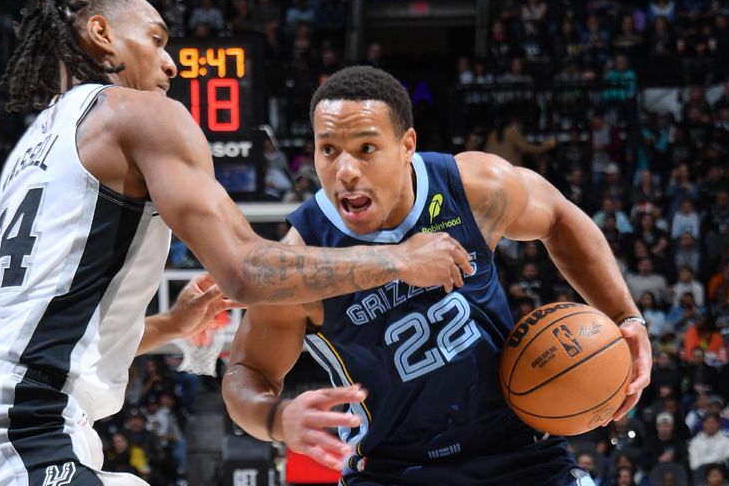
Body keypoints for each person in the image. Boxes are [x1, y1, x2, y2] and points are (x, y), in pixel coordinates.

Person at [0, 0, 471, 485]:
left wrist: (169, 325)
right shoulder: (141, 114)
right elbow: (244, 271)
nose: (170, 65)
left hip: (8, 416)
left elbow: (42, 332)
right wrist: (401, 260)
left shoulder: (32, 150)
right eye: (157, 40)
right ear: (101, 35)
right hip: (27, 429)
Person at [222, 66, 652, 485]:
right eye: (328, 149)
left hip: (520, 452)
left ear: (407, 144)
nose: (345, 170)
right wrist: (275, 418)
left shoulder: (473, 187)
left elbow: (558, 218)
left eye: (366, 148)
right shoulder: (304, 258)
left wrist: (625, 316)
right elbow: (247, 369)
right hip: (394, 469)